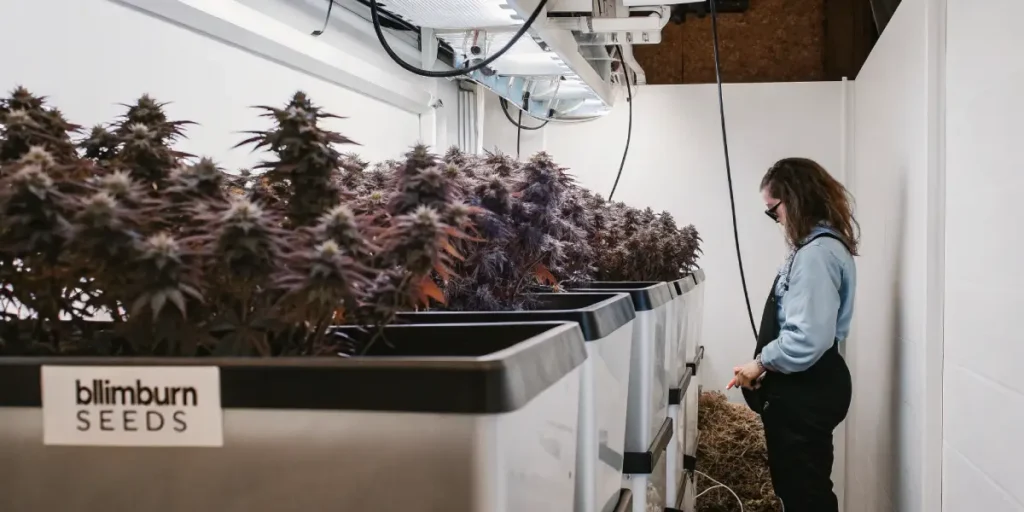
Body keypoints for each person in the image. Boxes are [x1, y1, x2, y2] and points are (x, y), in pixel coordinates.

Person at [727, 157, 858, 512]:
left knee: (805, 495)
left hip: (807, 388)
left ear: (795, 199)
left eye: (774, 210)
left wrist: (761, 363)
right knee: (802, 488)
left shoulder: (816, 255)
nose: (777, 220)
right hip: (810, 381)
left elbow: (806, 338)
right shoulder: (819, 247)